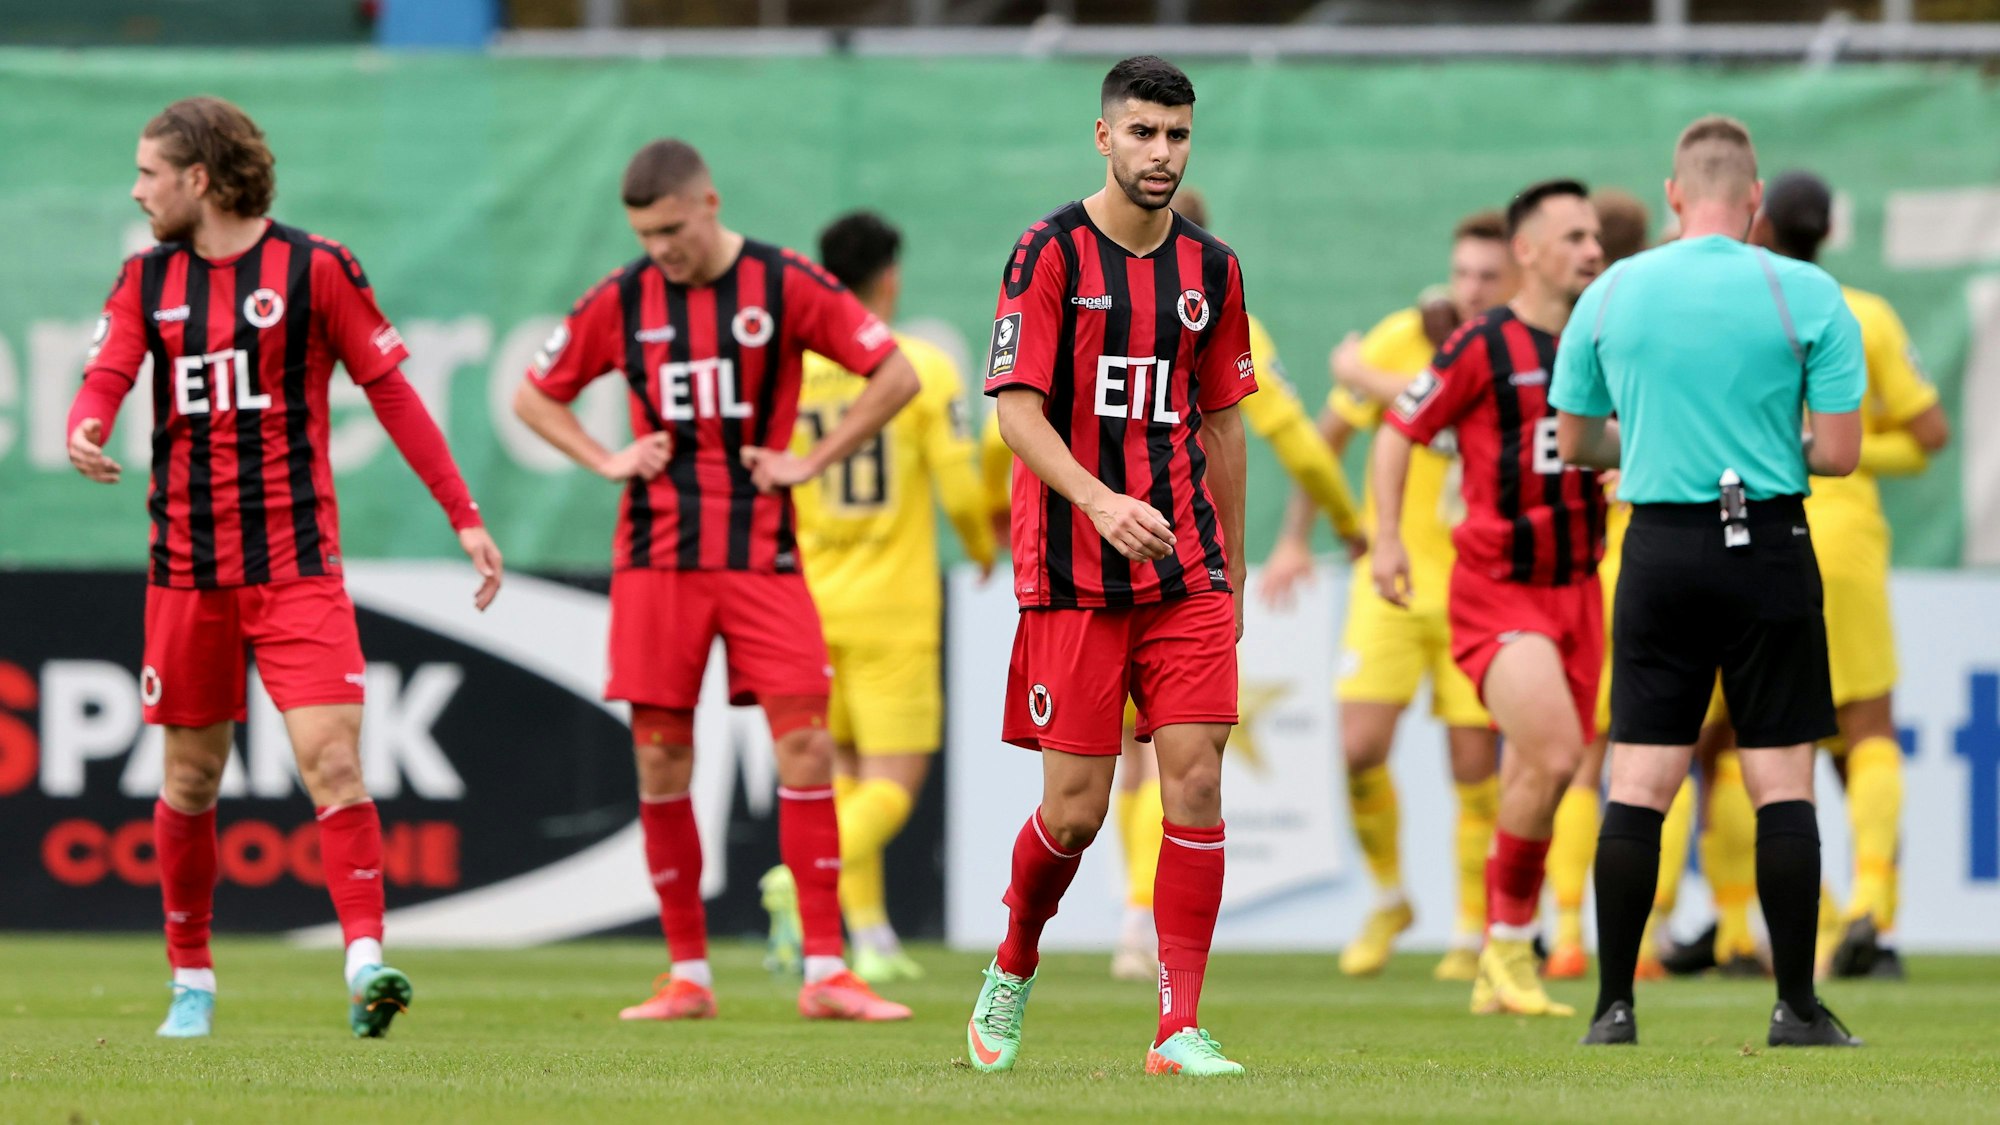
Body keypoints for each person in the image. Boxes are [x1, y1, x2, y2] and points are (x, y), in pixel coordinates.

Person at [65, 96, 503, 1039]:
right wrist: (85, 422)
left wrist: (462, 515)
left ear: (199, 178)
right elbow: (107, 371)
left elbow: (391, 391)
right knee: (191, 779)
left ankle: (366, 966)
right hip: (188, 571)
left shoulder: (315, 268)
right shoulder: (145, 281)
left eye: (149, 173)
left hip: (297, 565)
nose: (137, 190)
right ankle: (192, 980)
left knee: (334, 760)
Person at [512, 138, 920, 1024]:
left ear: (709, 203)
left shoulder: (783, 283)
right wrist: (605, 456)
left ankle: (825, 968)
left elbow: (896, 372)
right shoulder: (622, 299)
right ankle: (688, 973)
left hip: (762, 554)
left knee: (805, 745)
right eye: (644, 232)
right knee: (662, 757)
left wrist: (813, 459)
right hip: (658, 559)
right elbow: (534, 395)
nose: (660, 247)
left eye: (669, 228)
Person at [964, 56, 1253, 1077]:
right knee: (1076, 813)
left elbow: (1223, 427)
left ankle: (1176, 1028)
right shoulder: (1047, 254)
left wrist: (1235, 573)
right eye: (1141, 133)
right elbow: (1014, 413)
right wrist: (1096, 498)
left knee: (1196, 780)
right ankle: (1013, 960)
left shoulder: (1212, 272)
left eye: (1175, 135)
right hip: (1074, 576)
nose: (1160, 154)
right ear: (1103, 137)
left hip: (1186, 576)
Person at [1553, 116, 1867, 1047]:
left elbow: (1575, 444)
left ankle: (1613, 1006)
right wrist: (1766, 448)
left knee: (1640, 778)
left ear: (1675, 195)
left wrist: (1647, 449)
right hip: (1769, 540)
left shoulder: (1611, 291)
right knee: (1781, 781)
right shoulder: (1807, 292)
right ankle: (1797, 1006)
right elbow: (1841, 453)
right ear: (1757, 202)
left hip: (1657, 545)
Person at [1677, 171, 1949, 981]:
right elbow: (1928, 431)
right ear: (1827, 232)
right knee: (1866, 729)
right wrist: (1845, 457)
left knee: (1726, 739)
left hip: (1746, 526)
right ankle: (1874, 910)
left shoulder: (1731, 308)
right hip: (1845, 530)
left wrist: (1780, 453)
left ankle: (1734, 932)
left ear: (1756, 224)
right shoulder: (1863, 312)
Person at [1372, 180, 1607, 1019]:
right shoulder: (1483, 345)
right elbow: (1400, 428)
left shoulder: (1603, 336)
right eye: (1574, 235)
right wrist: (1389, 536)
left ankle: (1498, 955)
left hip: (1582, 587)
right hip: (1497, 588)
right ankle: (1507, 943)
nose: (1592, 247)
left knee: (1546, 773)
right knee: (1550, 755)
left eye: (1595, 234)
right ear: (1529, 250)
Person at [1264, 211, 1516, 981]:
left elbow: (1465, 413)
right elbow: (1327, 436)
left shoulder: (1517, 351)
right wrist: (1298, 535)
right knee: (1357, 746)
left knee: (1474, 765)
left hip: (1481, 584)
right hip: (1391, 576)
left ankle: (1473, 930)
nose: (1471, 289)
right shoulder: (1402, 333)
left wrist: (1363, 375)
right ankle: (1389, 897)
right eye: (1463, 272)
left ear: (1516, 279)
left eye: (1488, 277)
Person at [774, 209, 996, 984]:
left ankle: (865, 933)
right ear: (889, 278)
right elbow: (964, 491)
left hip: (803, 600)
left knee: (839, 767)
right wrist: (981, 550)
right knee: (893, 783)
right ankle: (793, 882)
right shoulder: (925, 366)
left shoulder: (789, 367)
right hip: (892, 611)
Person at [1544, 187, 1660, 981]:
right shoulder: (1651, 323)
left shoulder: (1571, 327)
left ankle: (1566, 932)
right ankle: (1652, 939)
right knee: (1666, 756)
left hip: (1588, 563)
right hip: (1661, 547)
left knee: (1582, 759)